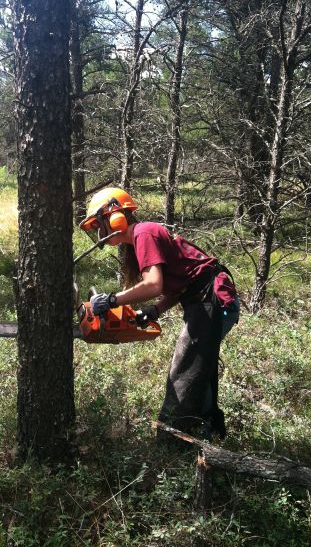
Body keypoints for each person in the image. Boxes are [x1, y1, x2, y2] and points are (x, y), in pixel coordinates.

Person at [79, 187, 239, 443]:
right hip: (206, 301)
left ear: (115, 216)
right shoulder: (140, 239)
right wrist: (154, 310)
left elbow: (153, 284)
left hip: (212, 301)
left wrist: (111, 300)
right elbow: (182, 284)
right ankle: (209, 433)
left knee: (185, 373)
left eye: (99, 225)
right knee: (199, 368)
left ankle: (175, 440)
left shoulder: (143, 233)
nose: (98, 233)